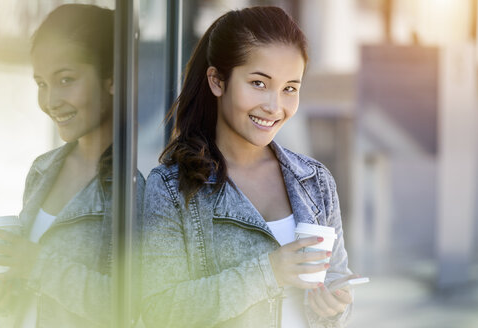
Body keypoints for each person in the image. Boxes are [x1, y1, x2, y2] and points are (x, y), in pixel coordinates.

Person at [142, 6, 356, 328]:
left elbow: (337, 285)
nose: (274, 106)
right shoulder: (171, 187)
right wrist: (269, 272)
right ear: (217, 81)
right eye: (258, 83)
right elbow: (160, 310)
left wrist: (333, 307)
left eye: (289, 89)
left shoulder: (316, 182)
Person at [0, 4, 143, 327]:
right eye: (42, 84)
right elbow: (33, 289)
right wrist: (3, 296)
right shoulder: (43, 169)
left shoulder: (134, 187)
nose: (50, 101)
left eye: (66, 79)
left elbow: (131, 305)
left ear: (112, 80)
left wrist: (34, 264)